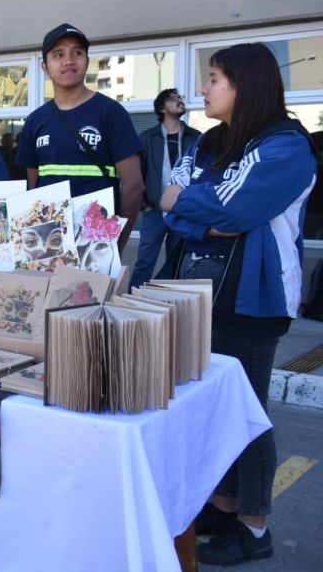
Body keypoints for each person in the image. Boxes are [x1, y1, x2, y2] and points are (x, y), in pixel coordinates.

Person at [159, 42, 316, 567]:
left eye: (214, 79)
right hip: (198, 291)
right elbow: (168, 197)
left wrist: (196, 209)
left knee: (247, 414)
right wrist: (199, 212)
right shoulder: (209, 143)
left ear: (244, 85)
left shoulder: (285, 147)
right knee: (211, 407)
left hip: (254, 298)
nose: (203, 89)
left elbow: (234, 209)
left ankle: (254, 527)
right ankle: (223, 508)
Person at [16, 24, 144, 249]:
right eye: (58, 55)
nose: (68, 60)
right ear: (44, 66)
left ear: (87, 60)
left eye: (77, 53)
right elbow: (32, 186)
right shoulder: (36, 120)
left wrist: (117, 242)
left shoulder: (110, 113)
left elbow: (134, 185)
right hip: (48, 244)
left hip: (96, 243)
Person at [129, 89, 201, 288]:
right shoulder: (147, 138)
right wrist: (145, 204)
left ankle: (171, 303)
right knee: (145, 261)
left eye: (180, 98)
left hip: (183, 211)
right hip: (155, 211)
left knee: (177, 260)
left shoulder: (196, 138)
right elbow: (136, 173)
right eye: (173, 98)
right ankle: (132, 300)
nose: (179, 101)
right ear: (162, 108)